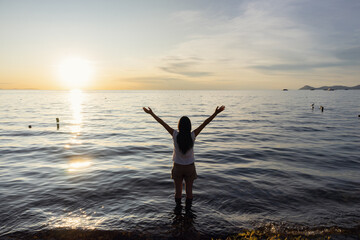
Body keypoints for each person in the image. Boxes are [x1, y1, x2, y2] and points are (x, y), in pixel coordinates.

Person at [143, 106, 225, 208]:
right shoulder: (192, 135)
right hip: (189, 167)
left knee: (178, 193)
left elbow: (162, 122)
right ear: (189, 126)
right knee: (189, 193)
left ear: (179, 126)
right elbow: (205, 123)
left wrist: (151, 113)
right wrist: (215, 113)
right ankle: (189, 215)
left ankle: (177, 214)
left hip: (177, 167)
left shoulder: (175, 135)